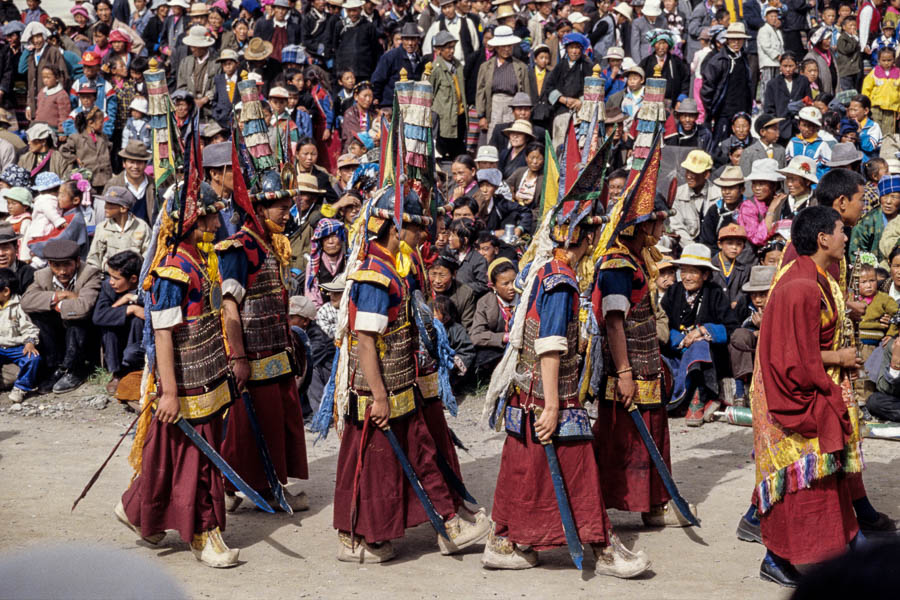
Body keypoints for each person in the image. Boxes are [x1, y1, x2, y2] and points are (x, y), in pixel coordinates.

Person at [484, 180, 651, 576]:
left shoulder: (547, 269)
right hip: (547, 395)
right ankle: (600, 547)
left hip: (530, 395)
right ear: (588, 236)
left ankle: (505, 539)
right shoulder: (561, 281)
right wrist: (555, 404)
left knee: (527, 469)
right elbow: (550, 344)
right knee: (578, 470)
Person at [326, 186, 489, 561]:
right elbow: (365, 340)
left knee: (420, 449)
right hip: (375, 391)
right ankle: (358, 537)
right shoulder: (374, 276)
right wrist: (380, 397)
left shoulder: (390, 269)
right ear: (395, 229)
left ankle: (446, 521)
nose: (422, 236)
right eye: (415, 228)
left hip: (399, 381)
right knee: (373, 466)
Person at [118, 181, 239, 568]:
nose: (216, 221)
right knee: (197, 460)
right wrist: (168, 392)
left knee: (171, 452)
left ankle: (140, 509)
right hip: (184, 382)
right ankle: (204, 531)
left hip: (208, 371)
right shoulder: (172, 271)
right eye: (208, 215)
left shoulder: (204, 260)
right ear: (192, 221)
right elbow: (162, 334)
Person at [751, 206, 863, 587]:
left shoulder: (813, 278)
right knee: (799, 482)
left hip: (809, 385)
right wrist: (836, 368)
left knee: (823, 483)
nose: (846, 238)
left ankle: (835, 554)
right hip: (793, 396)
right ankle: (777, 557)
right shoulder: (800, 287)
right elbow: (794, 360)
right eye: (840, 231)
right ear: (822, 239)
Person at [216, 171, 309, 514]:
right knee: (245, 430)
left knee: (276, 425)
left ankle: (271, 486)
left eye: (288, 207)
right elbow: (229, 306)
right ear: (259, 208)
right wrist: (238, 356)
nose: (287, 214)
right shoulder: (241, 247)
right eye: (280, 208)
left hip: (275, 351)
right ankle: (228, 487)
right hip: (251, 354)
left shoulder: (271, 243)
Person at [661, 242, 739, 425]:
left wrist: (703, 330)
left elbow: (731, 326)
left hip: (708, 357)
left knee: (700, 346)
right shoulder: (673, 291)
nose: (686, 277)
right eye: (683, 271)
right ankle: (678, 399)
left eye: (693, 272)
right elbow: (663, 322)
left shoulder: (715, 293)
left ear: (705, 274)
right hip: (675, 349)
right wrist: (681, 340)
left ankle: (699, 396)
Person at [20, 238, 101, 394]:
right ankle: (55, 367)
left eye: (67, 265)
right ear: (50, 264)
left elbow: (83, 307)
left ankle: (75, 369)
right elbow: (26, 302)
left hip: (85, 333)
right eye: (57, 266)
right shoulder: (42, 276)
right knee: (38, 316)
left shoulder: (90, 273)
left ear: (77, 261)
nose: (62, 271)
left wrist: (56, 306)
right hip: (59, 330)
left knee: (77, 319)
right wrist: (60, 296)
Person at [91, 249, 144, 394]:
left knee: (137, 321)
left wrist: (134, 300)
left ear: (133, 279)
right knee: (108, 327)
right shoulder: (108, 287)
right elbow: (99, 316)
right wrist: (130, 309)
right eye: (110, 276)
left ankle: (135, 369)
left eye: (116, 278)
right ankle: (117, 373)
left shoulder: (147, 286)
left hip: (141, 337)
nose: (111, 281)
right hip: (119, 336)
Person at [728, 265, 776, 406]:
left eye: (763, 294)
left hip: (772, 351)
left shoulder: (781, 305)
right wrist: (753, 333)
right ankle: (740, 391)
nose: (758, 300)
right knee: (738, 336)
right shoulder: (744, 305)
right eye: (754, 295)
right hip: (747, 351)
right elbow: (732, 328)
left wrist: (763, 328)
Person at [86, 186, 151, 273]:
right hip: (108, 276)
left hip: (134, 277)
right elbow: (94, 258)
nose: (105, 207)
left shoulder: (142, 227)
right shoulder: (102, 228)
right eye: (106, 203)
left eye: (110, 205)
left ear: (123, 209)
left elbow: (148, 255)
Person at [0, 267, 40, 404]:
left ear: (5, 291)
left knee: (33, 358)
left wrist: (30, 342)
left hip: (16, 347)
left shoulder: (19, 306)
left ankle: (21, 388)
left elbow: (29, 327)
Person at [429, 30, 467, 160]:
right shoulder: (436, 68)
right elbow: (430, 95)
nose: (451, 51)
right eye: (447, 48)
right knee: (444, 155)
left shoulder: (458, 66)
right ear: (439, 50)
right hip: (444, 120)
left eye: (453, 47)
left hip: (459, 116)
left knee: (460, 155)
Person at [668, 149, 720, 244]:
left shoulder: (718, 195)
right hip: (685, 246)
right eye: (687, 171)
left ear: (706, 174)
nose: (689, 176)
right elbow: (677, 226)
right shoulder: (678, 194)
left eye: (694, 172)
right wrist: (693, 249)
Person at [851, 173, 900, 263]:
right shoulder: (867, 222)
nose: (888, 201)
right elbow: (855, 253)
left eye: (894, 197)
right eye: (884, 196)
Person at [861, 47, 900, 137]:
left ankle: (887, 149)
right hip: (875, 108)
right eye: (884, 60)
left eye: (889, 60)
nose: (886, 63)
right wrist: (866, 105)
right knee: (875, 129)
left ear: (894, 59)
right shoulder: (874, 73)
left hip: (891, 109)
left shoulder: (898, 73)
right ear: (879, 60)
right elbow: (866, 90)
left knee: (889, 133)